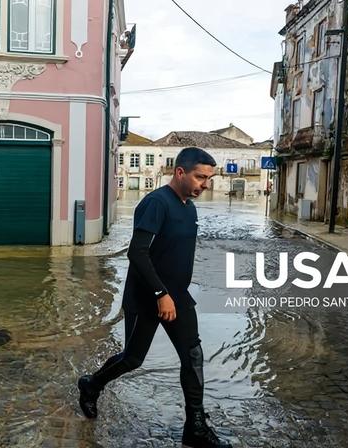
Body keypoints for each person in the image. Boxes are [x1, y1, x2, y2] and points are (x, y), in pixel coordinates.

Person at [78, 147, 230, 448]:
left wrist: (175, 292)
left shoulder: (189, 207)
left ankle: (195, 428)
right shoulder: (156, 203)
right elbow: (137, 252)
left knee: (193, 356)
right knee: (133, 359)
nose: (205, 184)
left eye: (209, 179)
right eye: (200, 177)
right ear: (180, 172)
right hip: (146, 297)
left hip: (178, 297)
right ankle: (91, 385)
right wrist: (161, 293)